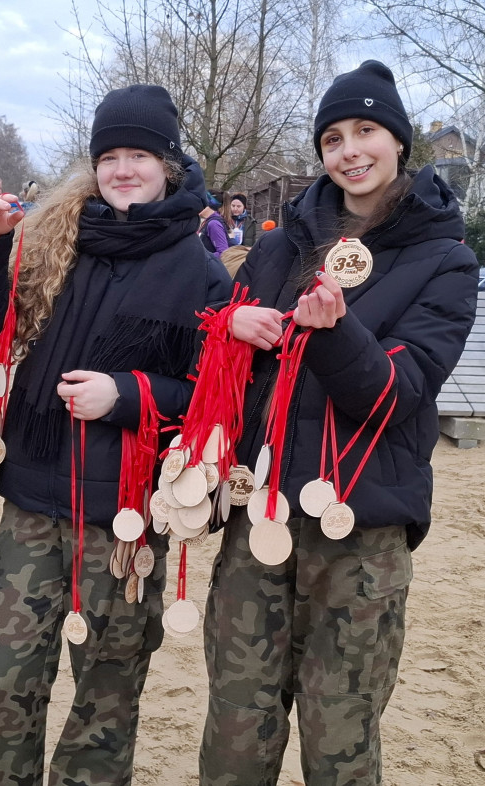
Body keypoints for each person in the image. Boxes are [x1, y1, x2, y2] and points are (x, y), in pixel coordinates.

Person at [199, 60, 479, 786]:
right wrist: (234, 326)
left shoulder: (444, 259)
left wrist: (336, 333)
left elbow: (400, 394)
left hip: (360, 530)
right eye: (333, 137)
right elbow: (226, 375)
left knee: (341, 732)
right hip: (258, 514)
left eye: (367, 131)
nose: (350, 150)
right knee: (236, 722)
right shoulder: (276, 246)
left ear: (397, 142)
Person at [0, 84, 231, 785]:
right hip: (31, 500)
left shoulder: (199, 270)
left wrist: (127, 395)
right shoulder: (56, 237)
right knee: (6, 675)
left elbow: (213, 402)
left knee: (106, 699)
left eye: (138, 153)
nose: (121, 168)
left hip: (124, 519)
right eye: (109, 155)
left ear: (168, 163)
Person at [198, 191, 228, 258]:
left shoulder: (214, 224)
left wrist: (200, 257)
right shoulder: (207, 221)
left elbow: (223, 253)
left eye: (200, 203)